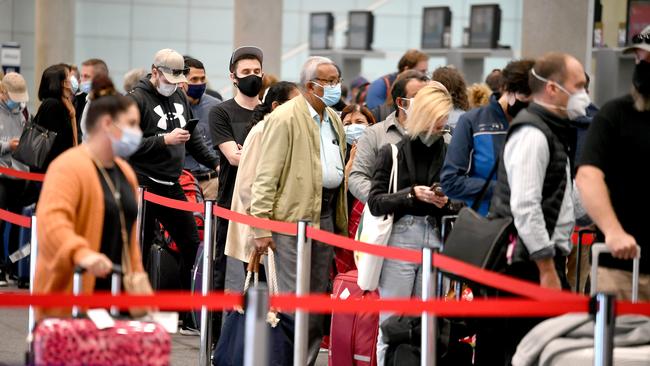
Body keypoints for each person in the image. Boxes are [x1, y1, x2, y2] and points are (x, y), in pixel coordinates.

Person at [484, 52, 587, 364]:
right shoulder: (533, 134)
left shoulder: (554, 130)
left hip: (544, 258)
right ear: (553, 88)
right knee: (521, 350)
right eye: (579, 85)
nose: (584, 94)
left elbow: (564, 196)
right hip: (525, 264)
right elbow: (525, 206)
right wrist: (546, 267)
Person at [250, 56, 347, 366]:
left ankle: (302, 360)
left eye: (337, 79)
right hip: (290, 220)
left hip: (325, 213)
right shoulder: (284, 118)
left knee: (317, 297)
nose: (336, 86)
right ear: (310, 86)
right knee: (292, 298)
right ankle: (283, 359)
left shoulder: (332, 117)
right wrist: (261, 227)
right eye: (329, 81)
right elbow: (266, 176)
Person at [34, 76, 146, 319]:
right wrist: (81, 253)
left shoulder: (126, 172)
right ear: (108, 123)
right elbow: (52, 223)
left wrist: (140, 292)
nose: (138, 132)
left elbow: (130, 239)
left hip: (118, 303)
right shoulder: (68, 167)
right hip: (71, 302)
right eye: (132, 124)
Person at [128, 48, 218, 334]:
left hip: (172, 183)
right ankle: (135, 312)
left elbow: (191, 140)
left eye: (177, 78)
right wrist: (163, 140)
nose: (174, 83)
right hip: (142, 184)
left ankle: (184, 313)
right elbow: (127, 145)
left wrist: (218, 162)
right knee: (138, 250)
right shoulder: (136, 100)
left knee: (191, 243)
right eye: (168, 77)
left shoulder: (179, 95)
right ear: (154, 72)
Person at [367, 83, 454, 365]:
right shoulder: (392, 151)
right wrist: (411, 194)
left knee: (428, 322)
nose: (443, 122)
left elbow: (463, 201)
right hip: (400, 238)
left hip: (437, 236)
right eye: (438, 115)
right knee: (392, 323)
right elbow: (376, 201)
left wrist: (446, 202)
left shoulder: (451, 152)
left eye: (445, 116)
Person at [576, 26, 650, 301]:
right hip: (620, 270)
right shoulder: (615, 115)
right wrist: (613, 231)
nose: (642, 67)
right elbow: (588, 176)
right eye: (639, 60)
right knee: (612, 343)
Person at [209, 45, 264, 340]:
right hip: (231, 200)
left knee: (259, 273)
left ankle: (258, 337)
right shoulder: (221, 112)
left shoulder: (270, 111)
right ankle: (219, 337)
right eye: (246, 72)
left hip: (264, 203)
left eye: (256, 71)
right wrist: (261, 155)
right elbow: (232, 156)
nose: (252, 77)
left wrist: (249, 152)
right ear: (233, 77)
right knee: (222, 270)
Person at [440, 59, 535, 215]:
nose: (529, 105)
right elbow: (450, 182)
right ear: (506, 89)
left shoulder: (535, 123)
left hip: (529, 223)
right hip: (486, 224)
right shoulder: (472, 122)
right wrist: (504, 189)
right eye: (525, 98)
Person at [225, 81, 300, 276]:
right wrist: (261, 229)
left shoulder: (286, 130)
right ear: (276, 106)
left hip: (277, 223)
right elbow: (247, 184)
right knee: (263, 288)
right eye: (296, 103)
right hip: (261, 225)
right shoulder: (262, 131)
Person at [349, 70, 429, 204]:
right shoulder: (375, 134)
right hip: (386, 218)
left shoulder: (442, 136)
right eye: (418, 97)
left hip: (429, 218)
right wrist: (385, 201)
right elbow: (357, 177)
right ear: (401, 102)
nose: (425, 102)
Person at [0, 72, 35, 286]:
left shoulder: (23, 112)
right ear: (3, 92)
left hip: (21, 175)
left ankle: (14, 266)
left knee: (17, 224)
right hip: (2, 175)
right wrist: (7, 146)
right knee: (2, 222)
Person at [180, 56, 221, 200]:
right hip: (186, 182)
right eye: (194, 79)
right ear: (182, 81)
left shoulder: (216, 106)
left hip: (212, 181)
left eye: (202, 79)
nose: (200, 83)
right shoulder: (176, 108)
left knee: (214, 221)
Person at [31, 64, 78, 173]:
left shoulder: (66, 104)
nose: (71, 79)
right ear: (59, 82)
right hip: (49, 169)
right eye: (68, 76)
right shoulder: (52, 104)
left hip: (59, 165)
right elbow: (53, 142)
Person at [76, 58, 109, 139]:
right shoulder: (89, 99)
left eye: (86, 76)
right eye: (81, 76)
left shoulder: (107, 103)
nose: (82, 80)